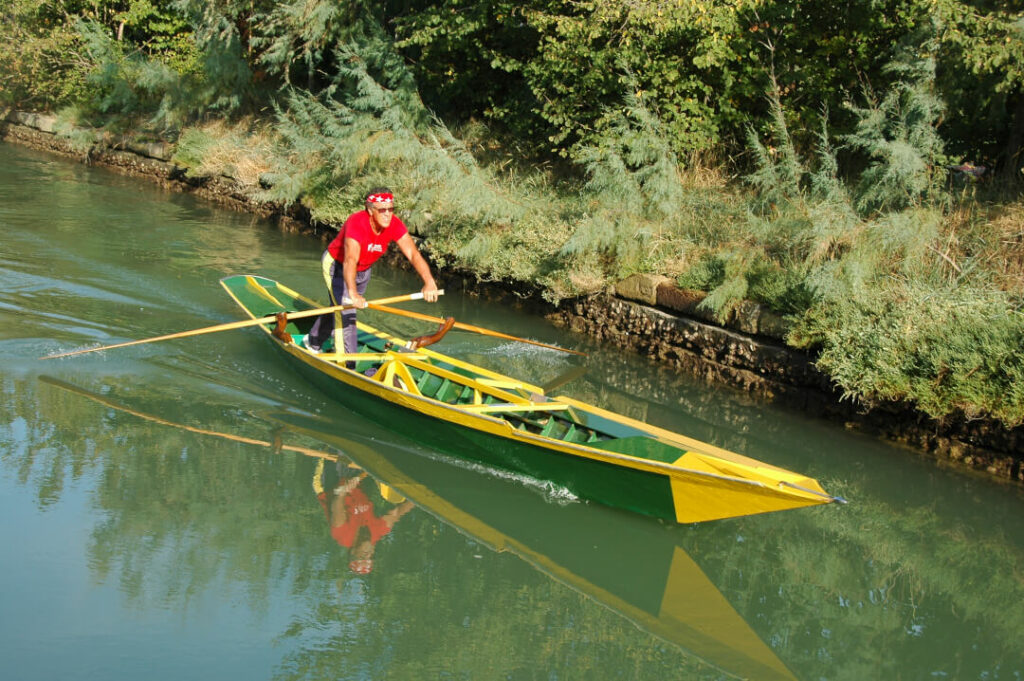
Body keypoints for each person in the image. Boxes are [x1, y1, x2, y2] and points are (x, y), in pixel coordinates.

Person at [302, 188, 439, 354]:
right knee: (347, 314)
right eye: (382, 210)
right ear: (370, 209)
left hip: (363, 270)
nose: (388, 214)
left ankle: (313, 340)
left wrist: (429, 282)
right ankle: (348, 364)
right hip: (337, 266)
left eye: (391, 209)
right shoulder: (356, 223)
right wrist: (352, 293)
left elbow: (413, 254)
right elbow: (350, 260)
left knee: (338, 306)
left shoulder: (394, 224)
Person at [313, 458, 415, 575]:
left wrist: (343, 491)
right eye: (371, 557)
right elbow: (396, 513)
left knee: (340, 452)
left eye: (362, 556)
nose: (368, 554)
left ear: (353, 552)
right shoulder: (378, 532)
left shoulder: (342, 535)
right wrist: (417, 499)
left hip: (331, 486)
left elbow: (336, 506)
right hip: (356, 481)